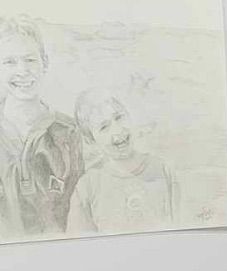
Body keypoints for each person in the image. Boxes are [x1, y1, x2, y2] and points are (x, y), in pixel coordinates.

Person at [0, 15, 83, 238]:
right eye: (9, 62)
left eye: (30, 60)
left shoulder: (68, 131)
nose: (22, 70)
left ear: (44, 62)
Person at [68, 87, 178, 235]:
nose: (117, 130)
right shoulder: (88, 187)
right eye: (104, 127)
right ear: (90, 140)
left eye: (119, 117)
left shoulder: (162, 169)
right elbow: (78, 243)